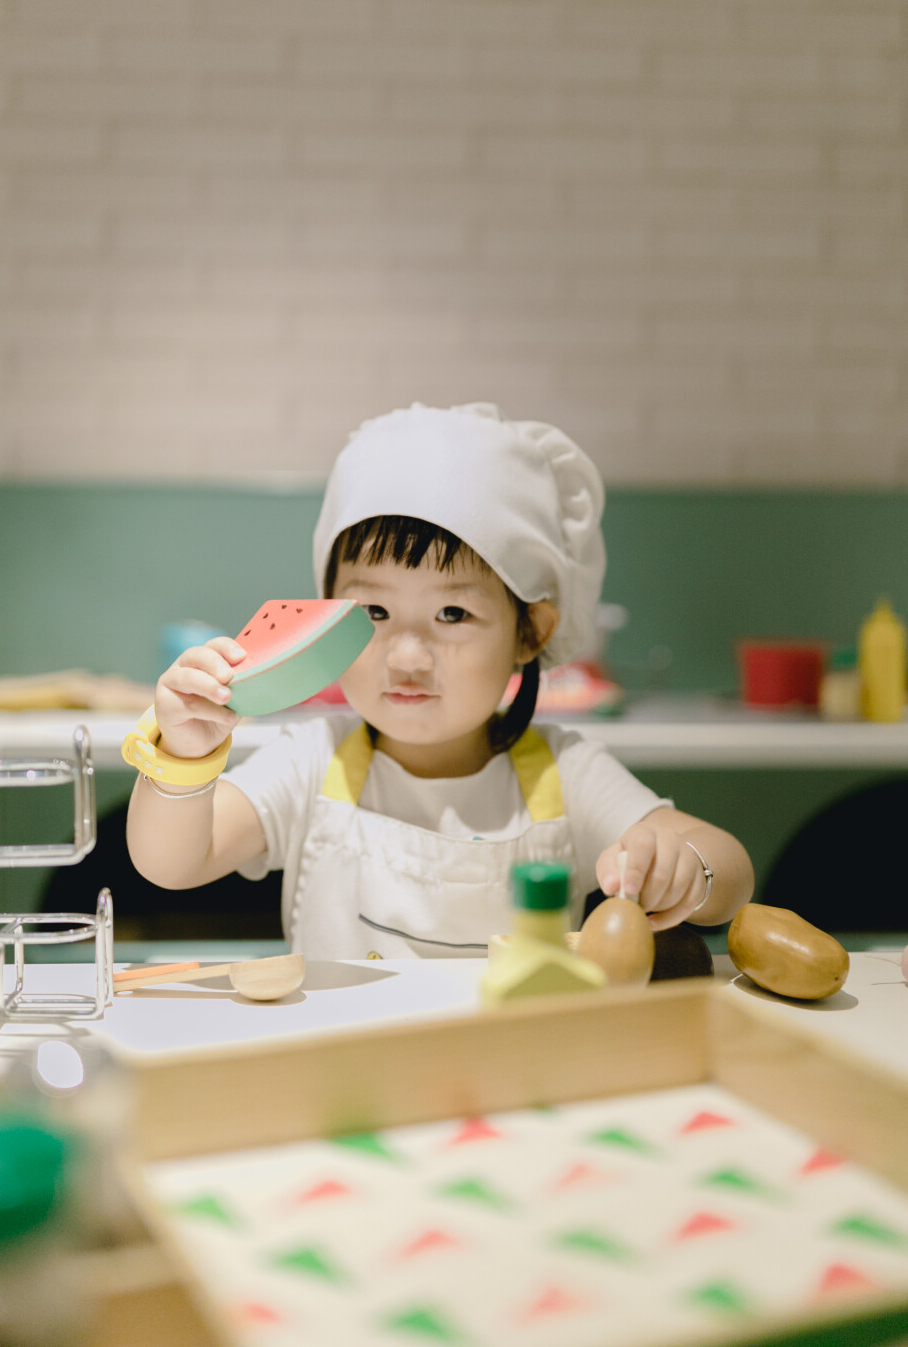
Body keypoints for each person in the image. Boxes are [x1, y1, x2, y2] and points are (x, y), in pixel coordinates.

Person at [125, 403, 753, 958]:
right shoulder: (312, 763)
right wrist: (185, 755)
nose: (407, 656)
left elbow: (731, 869)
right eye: (373, 612)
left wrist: (686, 868)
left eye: (452, 613)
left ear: (529, 632)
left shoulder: (566, 775)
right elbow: (172, 863)